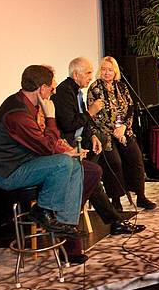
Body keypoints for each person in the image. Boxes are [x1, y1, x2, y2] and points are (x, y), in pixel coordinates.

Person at [51, 58, 145, 237]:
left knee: (102, 167)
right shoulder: (65, 92)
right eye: (88, 72)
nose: (91, 76)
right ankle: (101, 215)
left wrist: (93, 135)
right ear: (76, 74)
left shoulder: (77, 90)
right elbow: (69, 124)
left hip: (85, 140)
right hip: (68, 148)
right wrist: (91, 112)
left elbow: (83, 125)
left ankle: (130, 205)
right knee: (98, 169)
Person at [0, 65, 84, 238]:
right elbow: (47, 148)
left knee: (75, 164)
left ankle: (66, 224)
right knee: (63, 163)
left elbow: (44, 145)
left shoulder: (27, 105)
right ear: (41, 89)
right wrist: (51, 117)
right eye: (52, 88)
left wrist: (65, 151)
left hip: (27, 162)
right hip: (9, 173)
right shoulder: (18, 114)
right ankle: (42, 210)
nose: (53, 93)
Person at [87, 56, 156, 210]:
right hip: (105, 134)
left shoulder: (122, 87)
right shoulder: (95, 88)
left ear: (115, 71)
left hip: (124, 131)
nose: (106, 72)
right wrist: (114, 131)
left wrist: (124, 127)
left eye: (110, 70)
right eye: (104, 69)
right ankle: (116, 201)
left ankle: (141, 197)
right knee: (115, 163)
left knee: (136, 159)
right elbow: (95, 116)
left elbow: (130, 108)